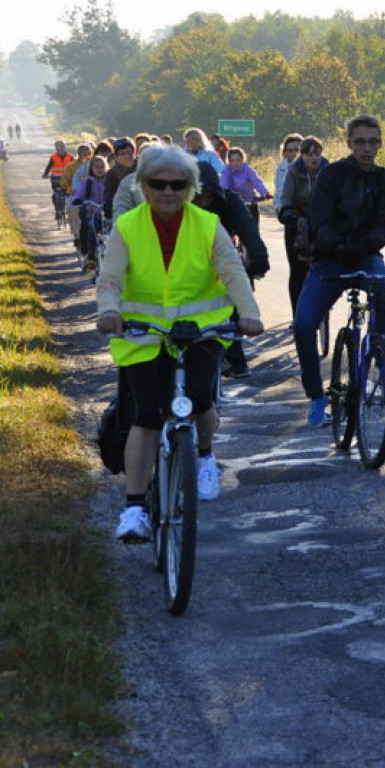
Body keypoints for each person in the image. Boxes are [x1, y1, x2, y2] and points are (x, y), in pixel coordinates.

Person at [95, 145, 263, 543]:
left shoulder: (207, 224)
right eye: (159, 184)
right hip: (143, 333)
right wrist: (109, 310)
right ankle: (134, 509)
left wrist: (249, 313)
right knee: (147, 415)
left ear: (190, 188)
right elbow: (111, 276)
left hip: (201, 330)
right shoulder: (128, 226)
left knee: (200, 399)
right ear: (144, 186)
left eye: (178, 184)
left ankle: (204, 455)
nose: (168, 191)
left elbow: (232, 272)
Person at [294, 114, 385, 427]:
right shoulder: (331, 175)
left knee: (381, 284)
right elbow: (321, 221)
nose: (367, 148)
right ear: (349, 143)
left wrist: (363, 247)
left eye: (373, 141)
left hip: (366, 255)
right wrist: (339, 246)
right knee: (303, 325)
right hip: (329, 258)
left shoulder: (384, 179)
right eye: (360, 141)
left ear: (379, 144)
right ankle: (316, 396)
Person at [194, 161, 270, 378]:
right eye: (198, 198)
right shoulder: (177, 205)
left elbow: (248, 229)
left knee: (234, 296)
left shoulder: (230, 200)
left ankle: (236, 359)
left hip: (222, 256)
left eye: (208, 197)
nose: (203, 203)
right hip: (188, 260)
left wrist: (259, 257)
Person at [277, 136, 327, 316]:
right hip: (297, 226)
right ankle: (297, 316)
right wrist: (291, 217)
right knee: (298, 271)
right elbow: (286, 199)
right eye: (309, 154)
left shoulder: (329, 171)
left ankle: (321, 313)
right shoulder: (293, 171)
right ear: (303, 156)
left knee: (324, 270)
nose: (314, 158)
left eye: (317, 154)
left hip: (322, 225)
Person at [219, 147, 271, 231]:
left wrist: (265, 193)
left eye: (238, 160)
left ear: (243, 160)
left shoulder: (247, 170)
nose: (235, 163)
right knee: (232, 229)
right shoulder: (226, 171)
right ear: (229, 161)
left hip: (251, 202)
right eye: (232, 160)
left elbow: (256, 181)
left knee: (254, 230)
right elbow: (224, 185)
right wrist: (226, 197)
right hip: (235, 204)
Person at [71, 155, 109, 269]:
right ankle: (91, 257)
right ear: (91, 168)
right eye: (96, 167)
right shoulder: (88, 182)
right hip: (93, 213)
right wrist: (77, 199)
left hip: (108, 213)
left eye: (102, 167)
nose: (99, 169)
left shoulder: (109, 181)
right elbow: (80, 194)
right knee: (92, 228)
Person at [62, 143, 94, 250]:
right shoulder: (71, 166)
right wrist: (69, 184)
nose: (86, 155)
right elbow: (64, 182)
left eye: (89, 153)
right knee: (71, 208)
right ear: (79, 154)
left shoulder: (95, 164)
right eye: (84, 153)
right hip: (75, 194)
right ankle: (76, 235)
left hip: (92, 195)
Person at [102, 137, 137, 219]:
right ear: (116, 157)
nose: (127, 156)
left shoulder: (143, 170)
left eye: (129, 153)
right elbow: (109, 197)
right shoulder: (111, 174)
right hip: (121, 214)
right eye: (122, 154)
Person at [42, 140, 75, 215]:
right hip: (56, 179)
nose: (62, 148)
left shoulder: (70, 157)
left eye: (63, 146)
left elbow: (75, 166)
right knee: (56, 194)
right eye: (60, 146)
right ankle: (57, 209)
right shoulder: (53, 157)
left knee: (68, 194)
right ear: (56, 148)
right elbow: (49, 167)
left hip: (67, 179)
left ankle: (68, 209)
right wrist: (45, 174)